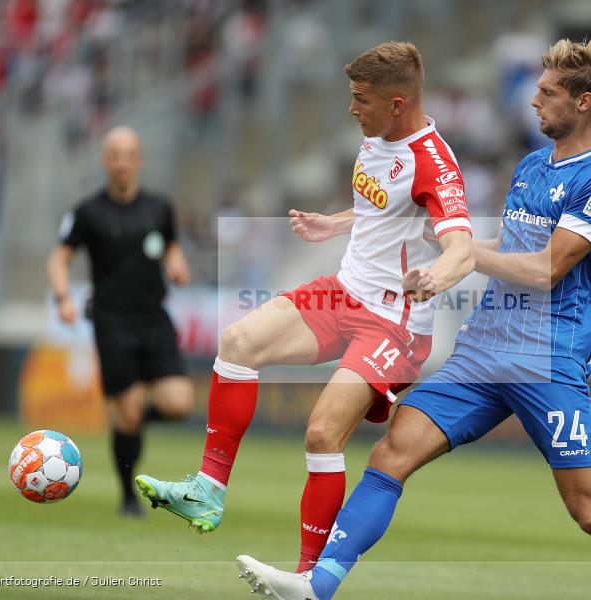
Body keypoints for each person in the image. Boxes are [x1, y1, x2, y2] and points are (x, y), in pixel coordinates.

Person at [234, 39, 591, 600]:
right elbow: (505, 245)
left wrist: (463, 253)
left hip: (546, 359)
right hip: (484, 350)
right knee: (391, 453)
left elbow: (547, 267)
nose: (533, 100)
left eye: (547, 92)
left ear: (584, 102)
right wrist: (446, 245)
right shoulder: (531, 166)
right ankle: (317, 586)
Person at [135, 41, 474, 572]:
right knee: (238, 343)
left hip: (393, 323)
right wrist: (334, 223)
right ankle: (207, 488)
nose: (351, 108)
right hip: (343, 292)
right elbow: (381, 210)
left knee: (321, 433)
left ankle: (308, 578)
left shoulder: (434, 163)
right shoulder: (375, 135)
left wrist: (435, 277)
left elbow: (462, 248)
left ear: (398, 104)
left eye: (361, 99)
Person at [47, 126, 195, 517]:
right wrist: (64, 298)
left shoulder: (159, 207)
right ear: (104, 161)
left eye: (129, 155)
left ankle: (125, 419)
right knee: (129, 411)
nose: (121, 162)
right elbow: (59, 258)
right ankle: (128, 498)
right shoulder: (87, 212)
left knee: (180, 404)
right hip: (112, 321)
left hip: (153, 317)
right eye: (114, 155)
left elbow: (172, 248)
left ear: (139, 160)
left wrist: (177, 265)